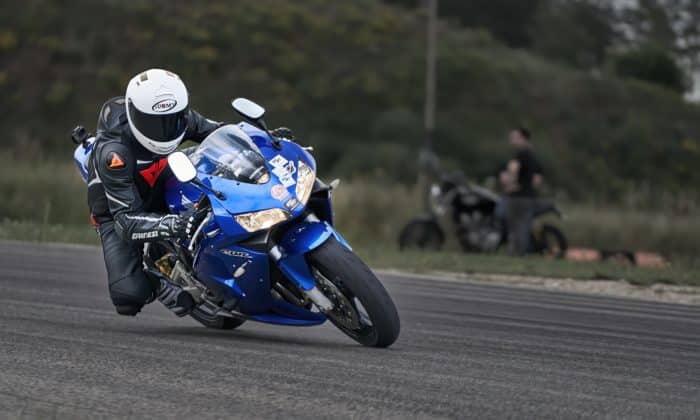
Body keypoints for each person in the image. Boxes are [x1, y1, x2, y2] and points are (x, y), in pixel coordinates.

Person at [86, 68, 292, 317]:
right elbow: (125, 221)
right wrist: (177, 224)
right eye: (154, 123)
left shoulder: (180, 119)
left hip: (166, 173)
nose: (165, 130)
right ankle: (160, 285)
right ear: (134, 116)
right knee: (128, 294)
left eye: (172, 119)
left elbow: (220, 131)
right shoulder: (114, 153)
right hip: (118, 208)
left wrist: (261, 140)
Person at [498, 127, 544, 256]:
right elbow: (537, 179)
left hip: (517, 198)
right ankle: (521, 254)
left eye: (514, 137)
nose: (511, 140)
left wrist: (509, 184)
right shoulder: (533, 156)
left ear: (523, 138)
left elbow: (512, 172)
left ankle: (516, 254)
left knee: (515, 229)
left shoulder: (520, 155)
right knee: (524, 227)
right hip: (529, 197)